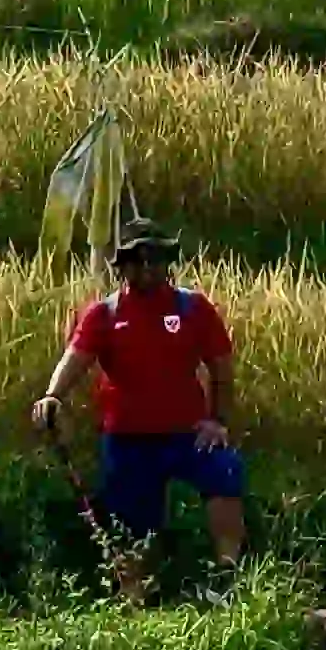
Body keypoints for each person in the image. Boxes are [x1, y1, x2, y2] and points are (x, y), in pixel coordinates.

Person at [30, 225, 247, 590]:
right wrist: (53, 396)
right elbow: (76, 358)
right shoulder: (104, 315)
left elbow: (222, 368)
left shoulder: (194, 309)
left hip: (187, 435)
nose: (147, 267)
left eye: (155, 259)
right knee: (132, 527)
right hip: (128, 439)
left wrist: (217, 420)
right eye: (136, 260)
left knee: (225, 471)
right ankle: (138, 601)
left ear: (168, 263)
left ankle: (226, 575)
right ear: (122, 267)